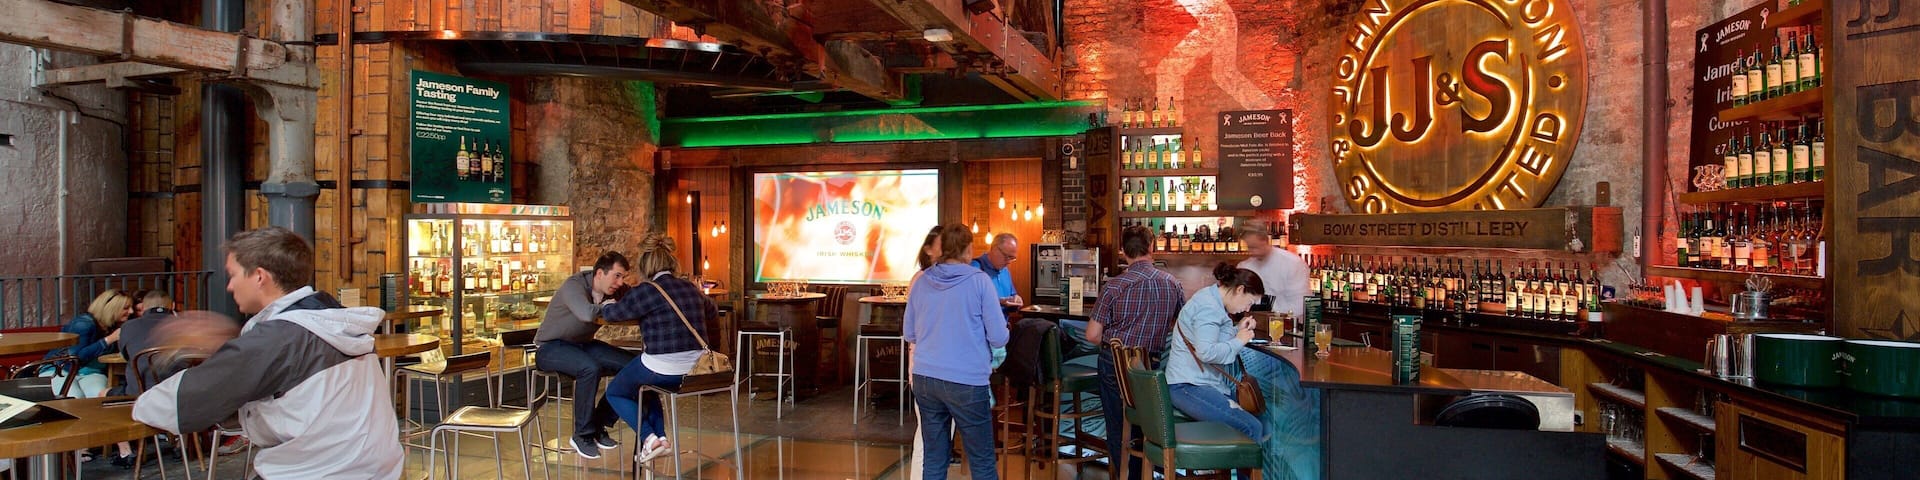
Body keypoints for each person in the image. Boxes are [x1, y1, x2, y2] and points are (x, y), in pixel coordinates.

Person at [132, 226, 403, 479]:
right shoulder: (335, 321)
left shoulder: (279, 337)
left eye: (233, 275)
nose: (229, 286)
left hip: (317, 472)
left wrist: (135, 401)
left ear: (259, 276)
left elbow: (181, 404)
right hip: (377, 468)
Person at [905, 225, 1010, 480]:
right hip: (966, 382)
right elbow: (998, 337)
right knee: (982, 460)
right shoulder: (979, 281)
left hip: (926, 378)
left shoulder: (922, 281)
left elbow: (910, 333)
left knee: (934, 457)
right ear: (967, 249)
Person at [601, 233, 717, 464]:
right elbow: (712, 311)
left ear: (645, 264)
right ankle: (660, 440)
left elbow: (613, 315)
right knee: (648, 387)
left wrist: (606, 304)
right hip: (697, 371)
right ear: (671, 261)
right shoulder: (690, 287)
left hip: (664, 368)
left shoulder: (646, 291)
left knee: (616, 392)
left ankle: (648, 437)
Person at [1084, 225, 1186, 479]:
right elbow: (1181, 326)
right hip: (1148, 365)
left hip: (1114, 362)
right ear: (1152, 248)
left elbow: (1092, 335)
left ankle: (1126, 475)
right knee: (1145, 426)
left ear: (1123, 250)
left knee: (1119, 427)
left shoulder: (1114, 286)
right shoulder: (1172, 284)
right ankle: (1147, 473)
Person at [534, 251, 636, 459]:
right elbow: (585, 313)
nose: (620, 282)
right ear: (600, 273)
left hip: (582, 344)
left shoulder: (615, 289)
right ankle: (582, 435)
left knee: (634, 366)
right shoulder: (574, 285)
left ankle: (599, 424)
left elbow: (636, 301)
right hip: (550, 347)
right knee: (589, 368)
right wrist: (606, 307)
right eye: (617, 276)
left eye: (623, 277)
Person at [1165, 263, 1269, 442]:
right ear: (1239, 290)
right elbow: (1206, 352)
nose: (1247, 309)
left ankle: (1237, 468)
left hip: (1194, 384)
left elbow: (1212, 338)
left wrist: (1237, 329)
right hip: (1188, 386)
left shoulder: (1211, 299)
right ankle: (1244, 469)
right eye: (1249, 302)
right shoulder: (1209, 308)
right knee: (1252, 427)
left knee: (1261, 422)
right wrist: (1239, 340)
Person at [40, 290, 131, 399]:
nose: (131, 311)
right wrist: (109, 339)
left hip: (91, 372)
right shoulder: (83, 323)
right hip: (61, 370)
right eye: (126, 308)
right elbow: (76, 357)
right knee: (74, 398)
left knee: (99, 396)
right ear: (111, 309)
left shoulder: (114, 325)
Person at [1238, 223, 1309, 319]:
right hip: (1255, 325)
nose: (1253, 252)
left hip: (1289, 326)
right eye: (1249, 247)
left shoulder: (1293, 263)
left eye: (1255, 247)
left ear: (1265, 240)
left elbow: (1300, 304)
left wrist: (1269, 313)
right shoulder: (1245, 266)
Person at [970, 233, 1024, 310]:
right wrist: (998, 302)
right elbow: (969, 302)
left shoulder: (1005, 271)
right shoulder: (975, 269)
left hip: (1004, 321)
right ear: (994, 249)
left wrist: (1016, 299)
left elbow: (1012, 294)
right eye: (1006, 256)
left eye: (1012, 258)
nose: (1008, 261)